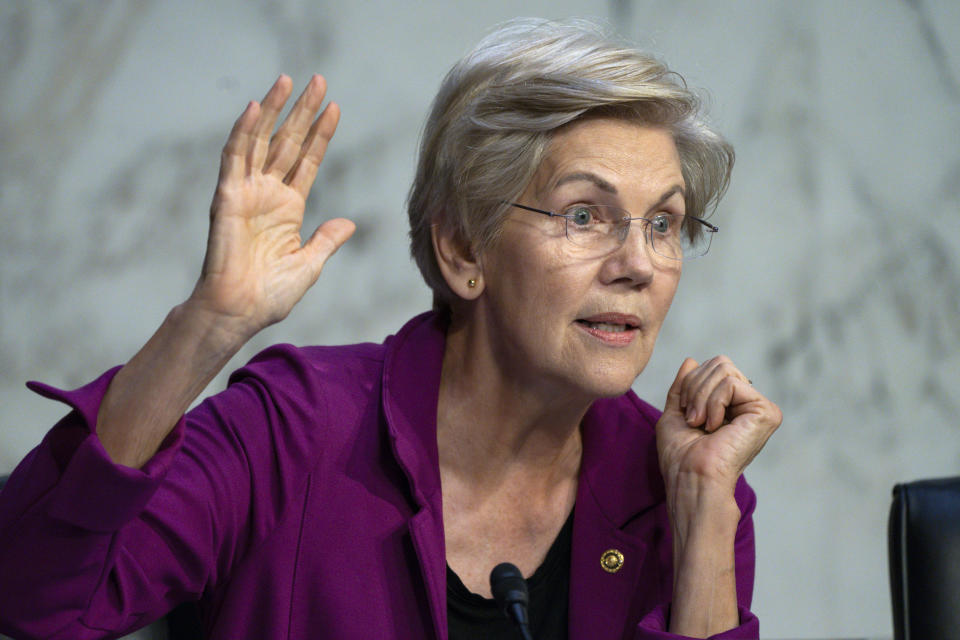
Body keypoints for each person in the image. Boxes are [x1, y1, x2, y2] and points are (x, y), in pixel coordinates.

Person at [0, 18, 781, 640]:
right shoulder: (295, 428)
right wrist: (208, 325)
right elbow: (36, 602)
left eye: (665, 224)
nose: (638, 264)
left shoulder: (679, 486)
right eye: (585, 215)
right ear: (463, 247)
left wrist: (706, 506)